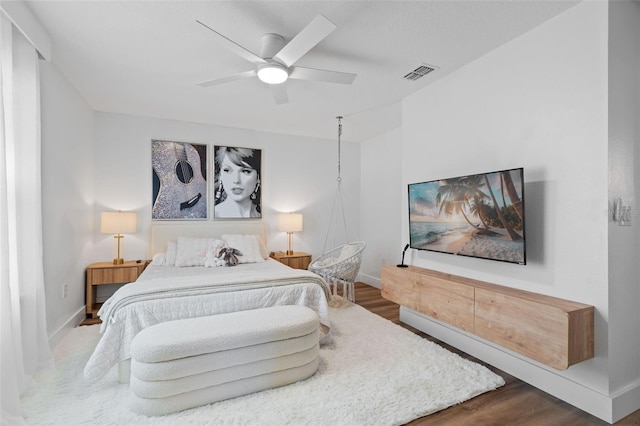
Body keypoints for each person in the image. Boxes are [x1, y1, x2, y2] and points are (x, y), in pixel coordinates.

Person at [214, 146, 261, 218]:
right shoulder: (216, 214)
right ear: (220, 176)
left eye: (245, 171)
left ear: (258, 178)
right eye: (227, 170)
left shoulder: (262, 214)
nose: (236, 180)